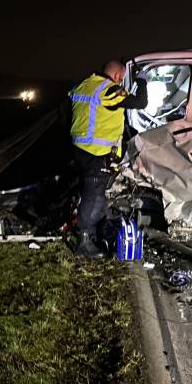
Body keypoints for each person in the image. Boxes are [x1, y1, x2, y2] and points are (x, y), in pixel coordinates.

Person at [68, 61, 147, 259]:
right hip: (96, 152)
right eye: (121, 78)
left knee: (90, 193)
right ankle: (84, 243)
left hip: (79, 149)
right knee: (93, 196)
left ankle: (91, 233)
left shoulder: (85, 84)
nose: (121, 81)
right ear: (118, 75)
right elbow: (140, 103)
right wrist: (142, 82)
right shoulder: (110, 90)